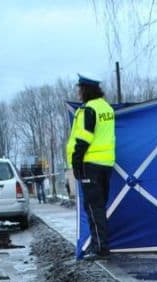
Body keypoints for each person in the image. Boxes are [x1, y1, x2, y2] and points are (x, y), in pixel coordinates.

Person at [65, 73, 116, 260]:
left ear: (86, 90)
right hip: (106, 163)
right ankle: (101, 245)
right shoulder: (106, 108)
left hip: (90, 164)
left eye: (80, 89)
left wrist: (77, 162)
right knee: (100, 206)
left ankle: (100, 248)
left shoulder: (89, 110)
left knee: (93, 208)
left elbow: (85, 137)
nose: (78, 93)